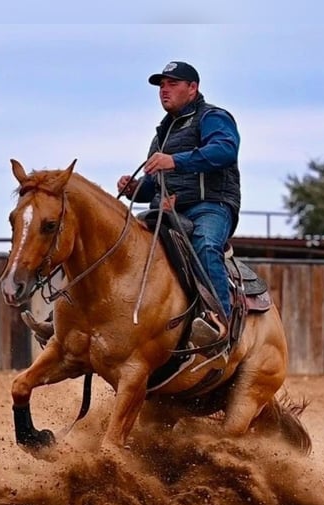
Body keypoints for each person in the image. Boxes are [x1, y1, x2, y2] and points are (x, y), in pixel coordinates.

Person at [117, 61, 241, 350]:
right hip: (166, 210)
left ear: (192, 88)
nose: (164, 90)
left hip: (210, 206)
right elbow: (153, 185)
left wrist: (175, 160)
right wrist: (136, 188)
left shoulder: (213, 117)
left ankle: (218, 324)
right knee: (122, 240)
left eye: (172, 84)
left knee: (206, 244)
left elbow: (224, 150)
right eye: (161, 85)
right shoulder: (162, 134)